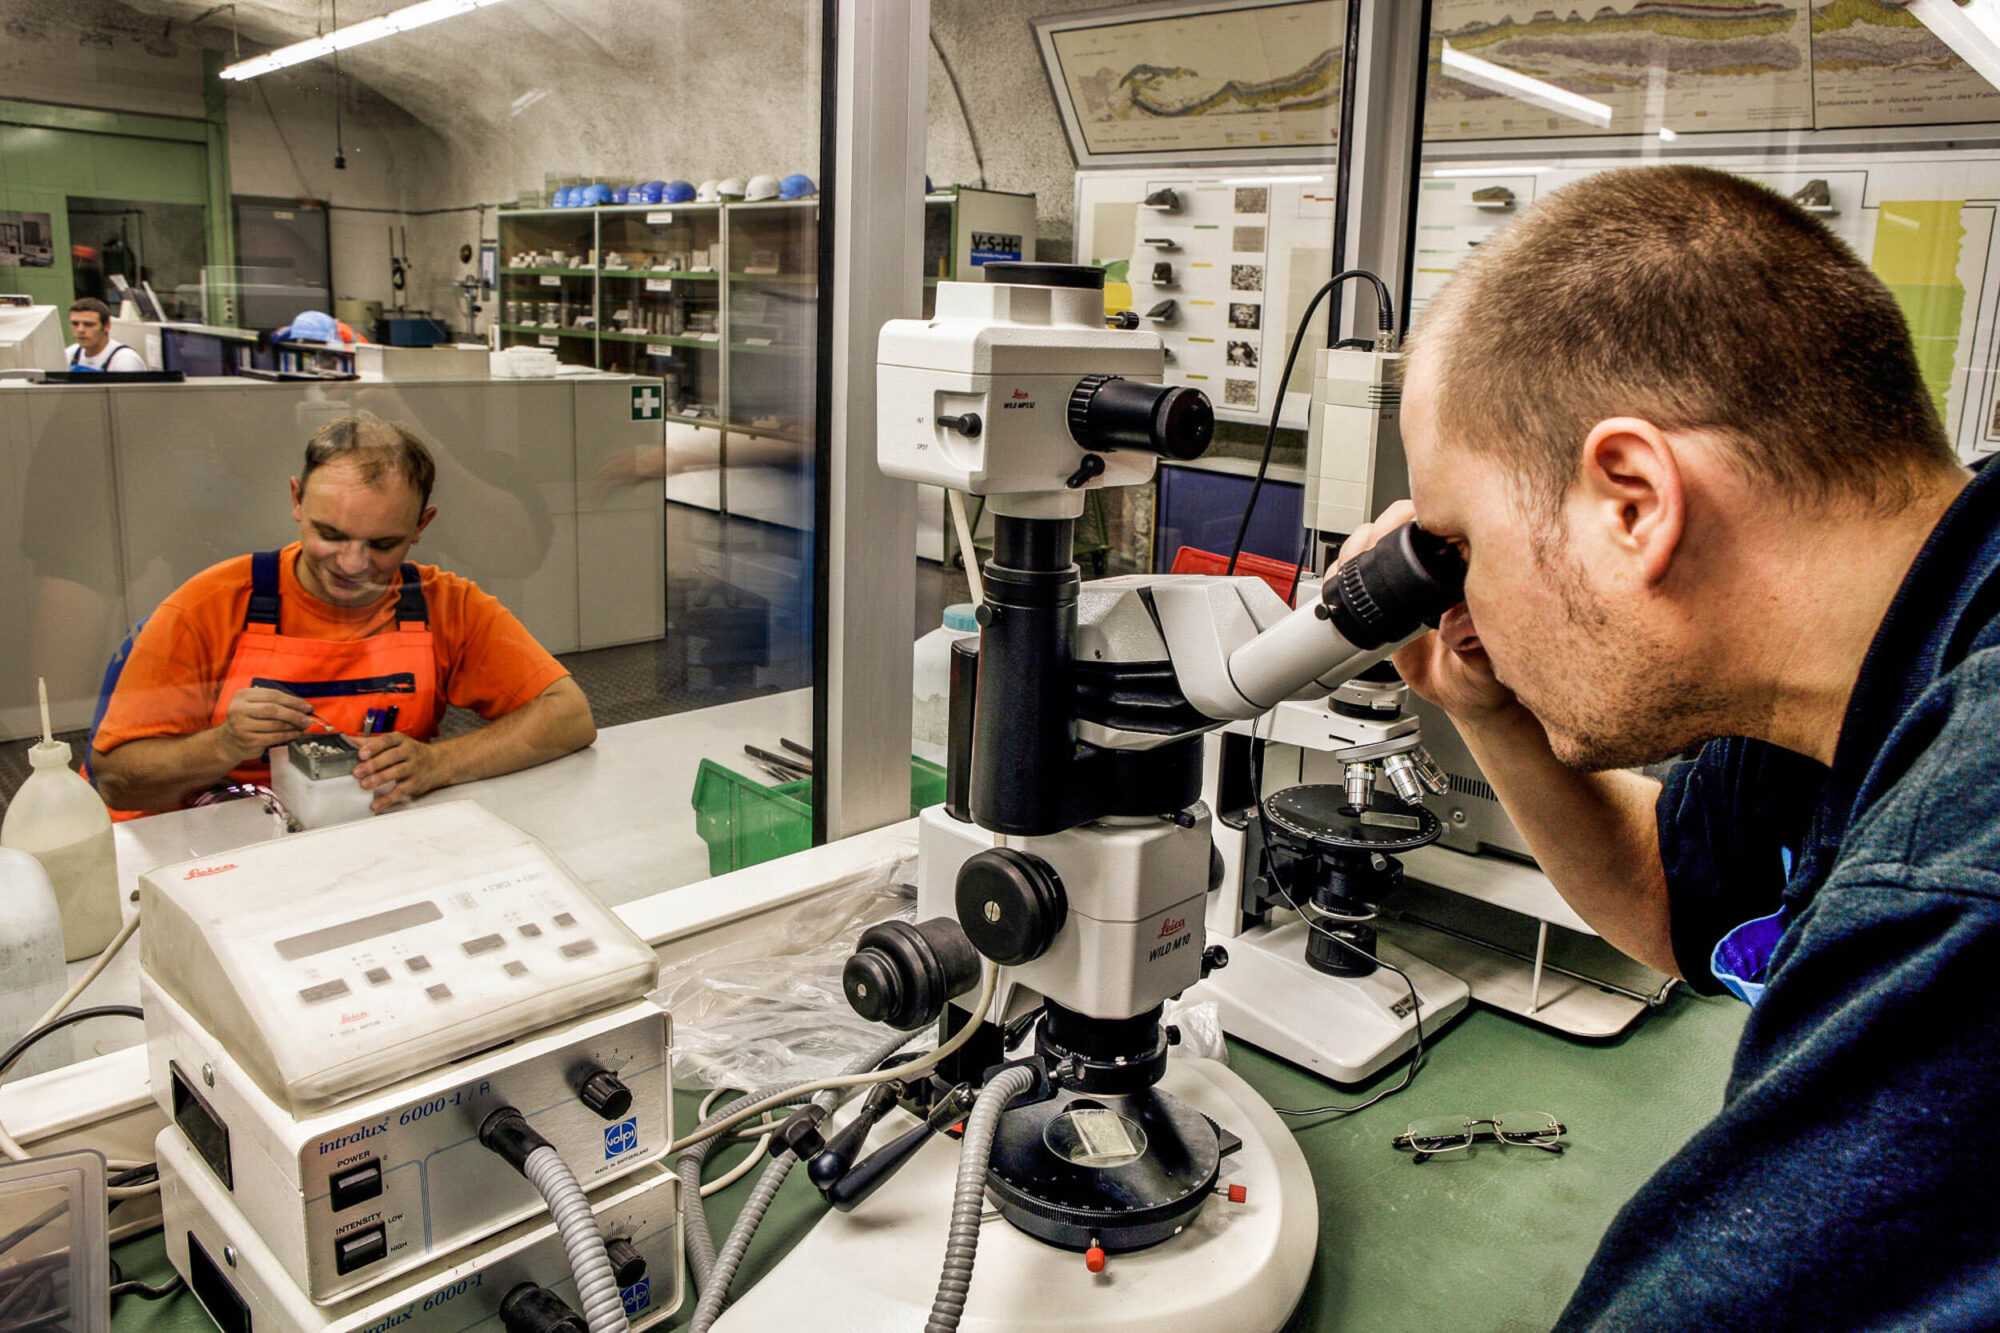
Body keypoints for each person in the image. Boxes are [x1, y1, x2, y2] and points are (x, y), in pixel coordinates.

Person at [1353, 165, 1995, 1328]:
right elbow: (1681, 896)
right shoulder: (1884, 637)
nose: (1456, 605)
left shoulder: (1960, 862)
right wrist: (1488, 704)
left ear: (1632, 500)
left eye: (1458, 543)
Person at [90, 412, 596, 817]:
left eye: (383, 544)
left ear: (422, 526)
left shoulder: (445, 606)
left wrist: (436, 762)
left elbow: (568, 715)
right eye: (329, 535)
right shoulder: (210, 605)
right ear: (295, 500)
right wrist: (222, 745)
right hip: (220, 839)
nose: (353, 565)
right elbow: (114, 779)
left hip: (371, 830)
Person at [64, 297, 146, 372]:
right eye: (75, 324)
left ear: (107, 326)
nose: (80, 330)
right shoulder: (69, 354)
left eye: (89, 324)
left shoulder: (125, 360)